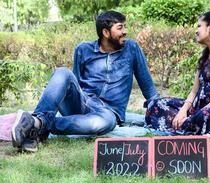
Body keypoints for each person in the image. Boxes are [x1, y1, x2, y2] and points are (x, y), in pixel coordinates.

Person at [12, 10, 159, 152]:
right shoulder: (83, 49)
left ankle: (36, 124)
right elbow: (72, 84)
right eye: (120, 28)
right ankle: (37, 122)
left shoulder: (131, 48)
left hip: (108, 113)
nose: (125, 31)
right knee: (63, 72)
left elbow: (147, 86)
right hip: (82, 103)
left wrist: (160, 110)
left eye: (125, 27)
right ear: (106, 32)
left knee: (106, 122)